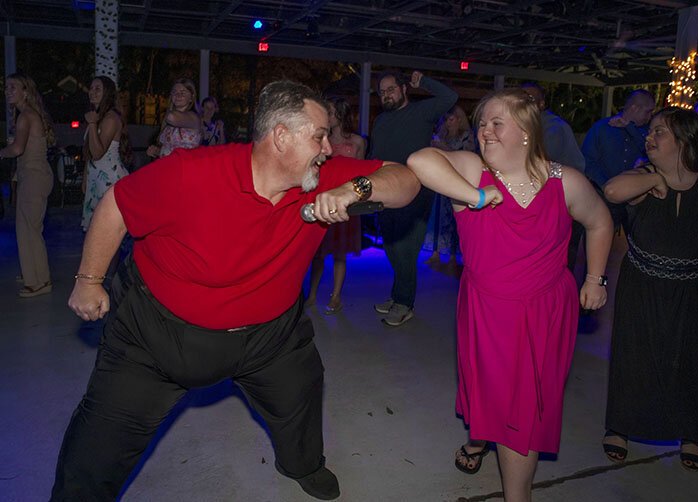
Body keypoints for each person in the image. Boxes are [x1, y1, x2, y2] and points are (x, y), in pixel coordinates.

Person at [52, 80, 421, 501]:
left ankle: (302, 464)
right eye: (319, 136)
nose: (328, 148)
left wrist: (355, 189)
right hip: (156, 334)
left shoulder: (322, 178)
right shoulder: (192, 171)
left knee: (300, 392)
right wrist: (89, 280)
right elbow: (117, 204)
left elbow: (406, 180)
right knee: (99, 444)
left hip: (271, 336)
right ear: (281, 136)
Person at [407, 88, 613, 502]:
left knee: (524, 411)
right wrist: (475, 197)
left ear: (526, 131)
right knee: (492, 394)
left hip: (545, 312)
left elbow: (601, 222)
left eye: (495, 122)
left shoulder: (565, 181)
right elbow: (419, 161)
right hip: (488, 312)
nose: (484, 130)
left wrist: (594, 279)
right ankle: (481, 438)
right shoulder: (470, 170)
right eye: (481, 122)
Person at [602, 107, 698, 472]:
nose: (650, 138)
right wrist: (653, 181)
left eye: (660, 132)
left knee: (691, 360)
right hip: (643, 284)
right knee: (635, 357)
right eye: (649, 131)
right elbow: (612, 190)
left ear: (684, 140)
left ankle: (692, 432)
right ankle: (621, 426)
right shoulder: (642, 179)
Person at [369, 70, 457, 326]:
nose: (386, 95)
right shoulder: (381, 121)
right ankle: (398, 295)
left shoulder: (421, 112)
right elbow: (375, 155)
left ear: (404, 89)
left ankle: (405, 303)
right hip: (385, 190)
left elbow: (450, 96)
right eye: (382, 92)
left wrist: (424, 82)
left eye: (391, 89)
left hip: (416, 190)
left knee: (404, 249)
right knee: (390, 246)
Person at [306, 97, 366, 314]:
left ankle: (336, 296)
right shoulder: (321, 142)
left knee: (340, 252)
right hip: (324, 198)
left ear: (339, 115)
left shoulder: (358, 142)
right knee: (318, 252)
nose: (327, 117)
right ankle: (311, 294)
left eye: (330, 113)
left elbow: (362, 174)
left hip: (347, 203)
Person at [0, 73, 56, 298]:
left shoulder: (26, 116)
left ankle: (40, 282)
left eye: (14, 87)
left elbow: (17, 149)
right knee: (29, 228)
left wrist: (2, 152)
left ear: (26, 92)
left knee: (28, 231)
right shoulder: (28, 114)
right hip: (34, 175)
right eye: (7, 87)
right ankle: (32, 273)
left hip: (34, 177)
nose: (8, 90)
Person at [521, 82, 586, 270]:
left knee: (563, 252)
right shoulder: (529, 126)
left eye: (530, 99)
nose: (524, 102)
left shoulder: (553, 127)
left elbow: (537, 161)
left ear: (541, 105)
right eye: (522, 98)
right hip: (551, 194)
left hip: (568, 197)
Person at [582, 89, 655, 231]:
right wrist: (607, 187)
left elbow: (649, 153)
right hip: (601, 198)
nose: (650, 116)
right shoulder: (601, 128)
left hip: (634, 202)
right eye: (648, 111)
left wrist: (629, 128)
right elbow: (588, 161)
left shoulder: (646, 133)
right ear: (634, 108)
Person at [426, 105, 475, 266]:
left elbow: (465, 157)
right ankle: (436, 252)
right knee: (437, 217)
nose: (448, 123)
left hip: (458, 181)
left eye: (451, 119)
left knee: (455, 217)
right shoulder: (441, 136)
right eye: (445, 120)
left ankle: (454, 254)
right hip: (440, 180)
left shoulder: (466, 136)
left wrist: (443, 148)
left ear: (459, 120)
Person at [81, 75, 130, 231]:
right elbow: (90, 154)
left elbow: (97, 153)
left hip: (108, 181)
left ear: (107, 93)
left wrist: (93, 123)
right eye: (91, 88)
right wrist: (86, 177)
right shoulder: (98, 116)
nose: (92, 92)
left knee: (106, 234)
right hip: (97, 179)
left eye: (98, 89)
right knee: (97, 234)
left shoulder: (110, 118)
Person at [146, 78, 202, 158]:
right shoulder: (168, 122)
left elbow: (172, 117)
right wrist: (157, 151)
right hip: (168, 166)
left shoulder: (193, 117)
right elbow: (169, 151)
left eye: (183, 93)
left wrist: (168, 109)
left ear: (191, 97)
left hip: (185, 166)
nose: (178, 95)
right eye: (174, 92)